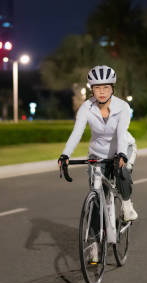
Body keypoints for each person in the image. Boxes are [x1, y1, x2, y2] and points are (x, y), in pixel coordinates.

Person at [58, 65, 138, 222]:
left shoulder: (123, 107)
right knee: (96, 196)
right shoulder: (86, 108)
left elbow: (121, 133)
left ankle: (127, 207)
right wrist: (65, 154)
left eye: (106, 87)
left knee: (122, 170)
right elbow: (77, 133)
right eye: (97, 88)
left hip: (124, 148)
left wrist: (121, 154)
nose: (102, 92)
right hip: (98, 152)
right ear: (92, 89)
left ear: (112, 89)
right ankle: (94, 243)